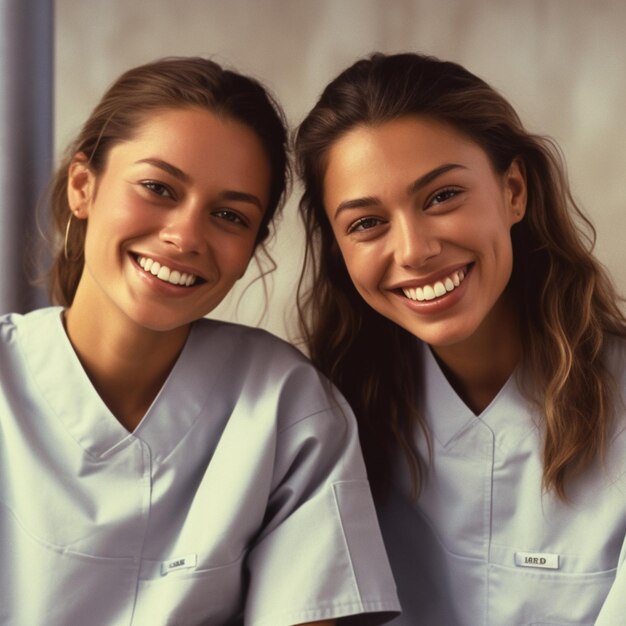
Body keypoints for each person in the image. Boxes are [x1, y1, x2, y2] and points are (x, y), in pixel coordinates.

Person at [0, 57, 400, 626]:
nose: (185, 235)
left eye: (229, 216)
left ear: (251, 249)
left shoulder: (286, 407)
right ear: (83, 186)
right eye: (158, 187)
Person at [295, 52, 626, 625]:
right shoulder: (315, 424)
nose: (414, 250)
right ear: (338, 249)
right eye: (367, 223)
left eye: (442, 196)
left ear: (514, 190)